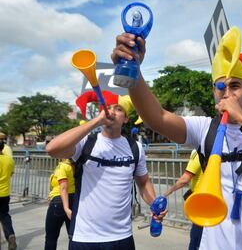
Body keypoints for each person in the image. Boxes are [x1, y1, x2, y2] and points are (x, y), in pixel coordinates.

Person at [112, 26, 242, 249]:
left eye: (235, 86)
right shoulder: (204, 128)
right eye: (220, 86)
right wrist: (134, 68)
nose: (226, 92)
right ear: (213, 91)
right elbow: (157, 118)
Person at [46, 91, 166, 250]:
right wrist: (96, 121)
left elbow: (143, 183)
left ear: (126, 118)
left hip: (122, 236)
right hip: (85, 237)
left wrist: (154, 206)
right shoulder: (86, 143)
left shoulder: (135, 148)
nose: (112, 111)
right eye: (108, 107)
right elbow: (52, 149)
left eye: (118, 109)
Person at [163, 150, 203, 250]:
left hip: (200, 203)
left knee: (196, 238)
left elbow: (184, 179)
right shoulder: (215, 150)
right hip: (213, 200)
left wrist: (167, 193)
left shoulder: (198, 153)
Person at [44, 159, 75, 250]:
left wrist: (65, 207)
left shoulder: (62, 167)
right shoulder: (76, 165)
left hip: (59, 201)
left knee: (51, 237)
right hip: (73, 199)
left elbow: (63, 187)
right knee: (73, 236)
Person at [0, 140, 17, 250]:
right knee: (5, 215)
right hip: (5, 193)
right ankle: (10, 234)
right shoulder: (9, 160)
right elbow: (10, 174)